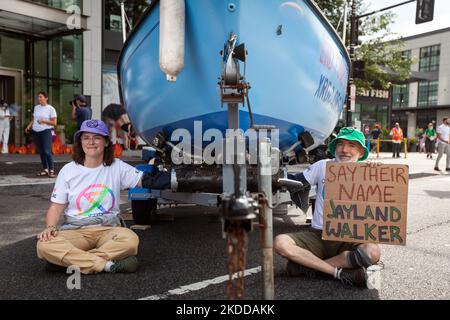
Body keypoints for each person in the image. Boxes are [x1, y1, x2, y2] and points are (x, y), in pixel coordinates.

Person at [274, 127, 381, 288]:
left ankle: (312, 266)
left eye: (352, 145)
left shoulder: (370, 171)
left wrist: (378, 175)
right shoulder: (323, 165)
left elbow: (382, 208)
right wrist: (271, 176)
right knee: (280, 243)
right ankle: (337, 272)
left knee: (373, 252)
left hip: (351, 237)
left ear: (360, 151)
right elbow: (297, 181)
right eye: (341, 144)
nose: (345, 150)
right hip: (319, 236)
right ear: (335, 147)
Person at [36, 119, 143, 275]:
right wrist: (50, 227)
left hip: (108, 228)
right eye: (86, 137)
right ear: (80, 142)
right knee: (44, 245)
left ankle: (68, 262)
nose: (91, 142)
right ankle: (108, 265)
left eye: (97, 137)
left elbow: (142, 180)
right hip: (75, 230)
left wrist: (166, 177)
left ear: (106, 142)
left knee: (131, 240)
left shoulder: (116, 166)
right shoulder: (68, 170)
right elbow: (56, 206)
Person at [25, 92, 57, 178]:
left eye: (40, 97)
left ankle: (52, 170)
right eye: (38, 97)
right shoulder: (36, 107)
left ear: (46, 98)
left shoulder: (51, 109)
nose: (38, 98)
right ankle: (45, 169)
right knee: (41, 152)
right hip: (36, 131)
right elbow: (34, 118)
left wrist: (43, 121)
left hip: (45, 131)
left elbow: (54, 123)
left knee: (47, 151)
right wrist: (29, 126)